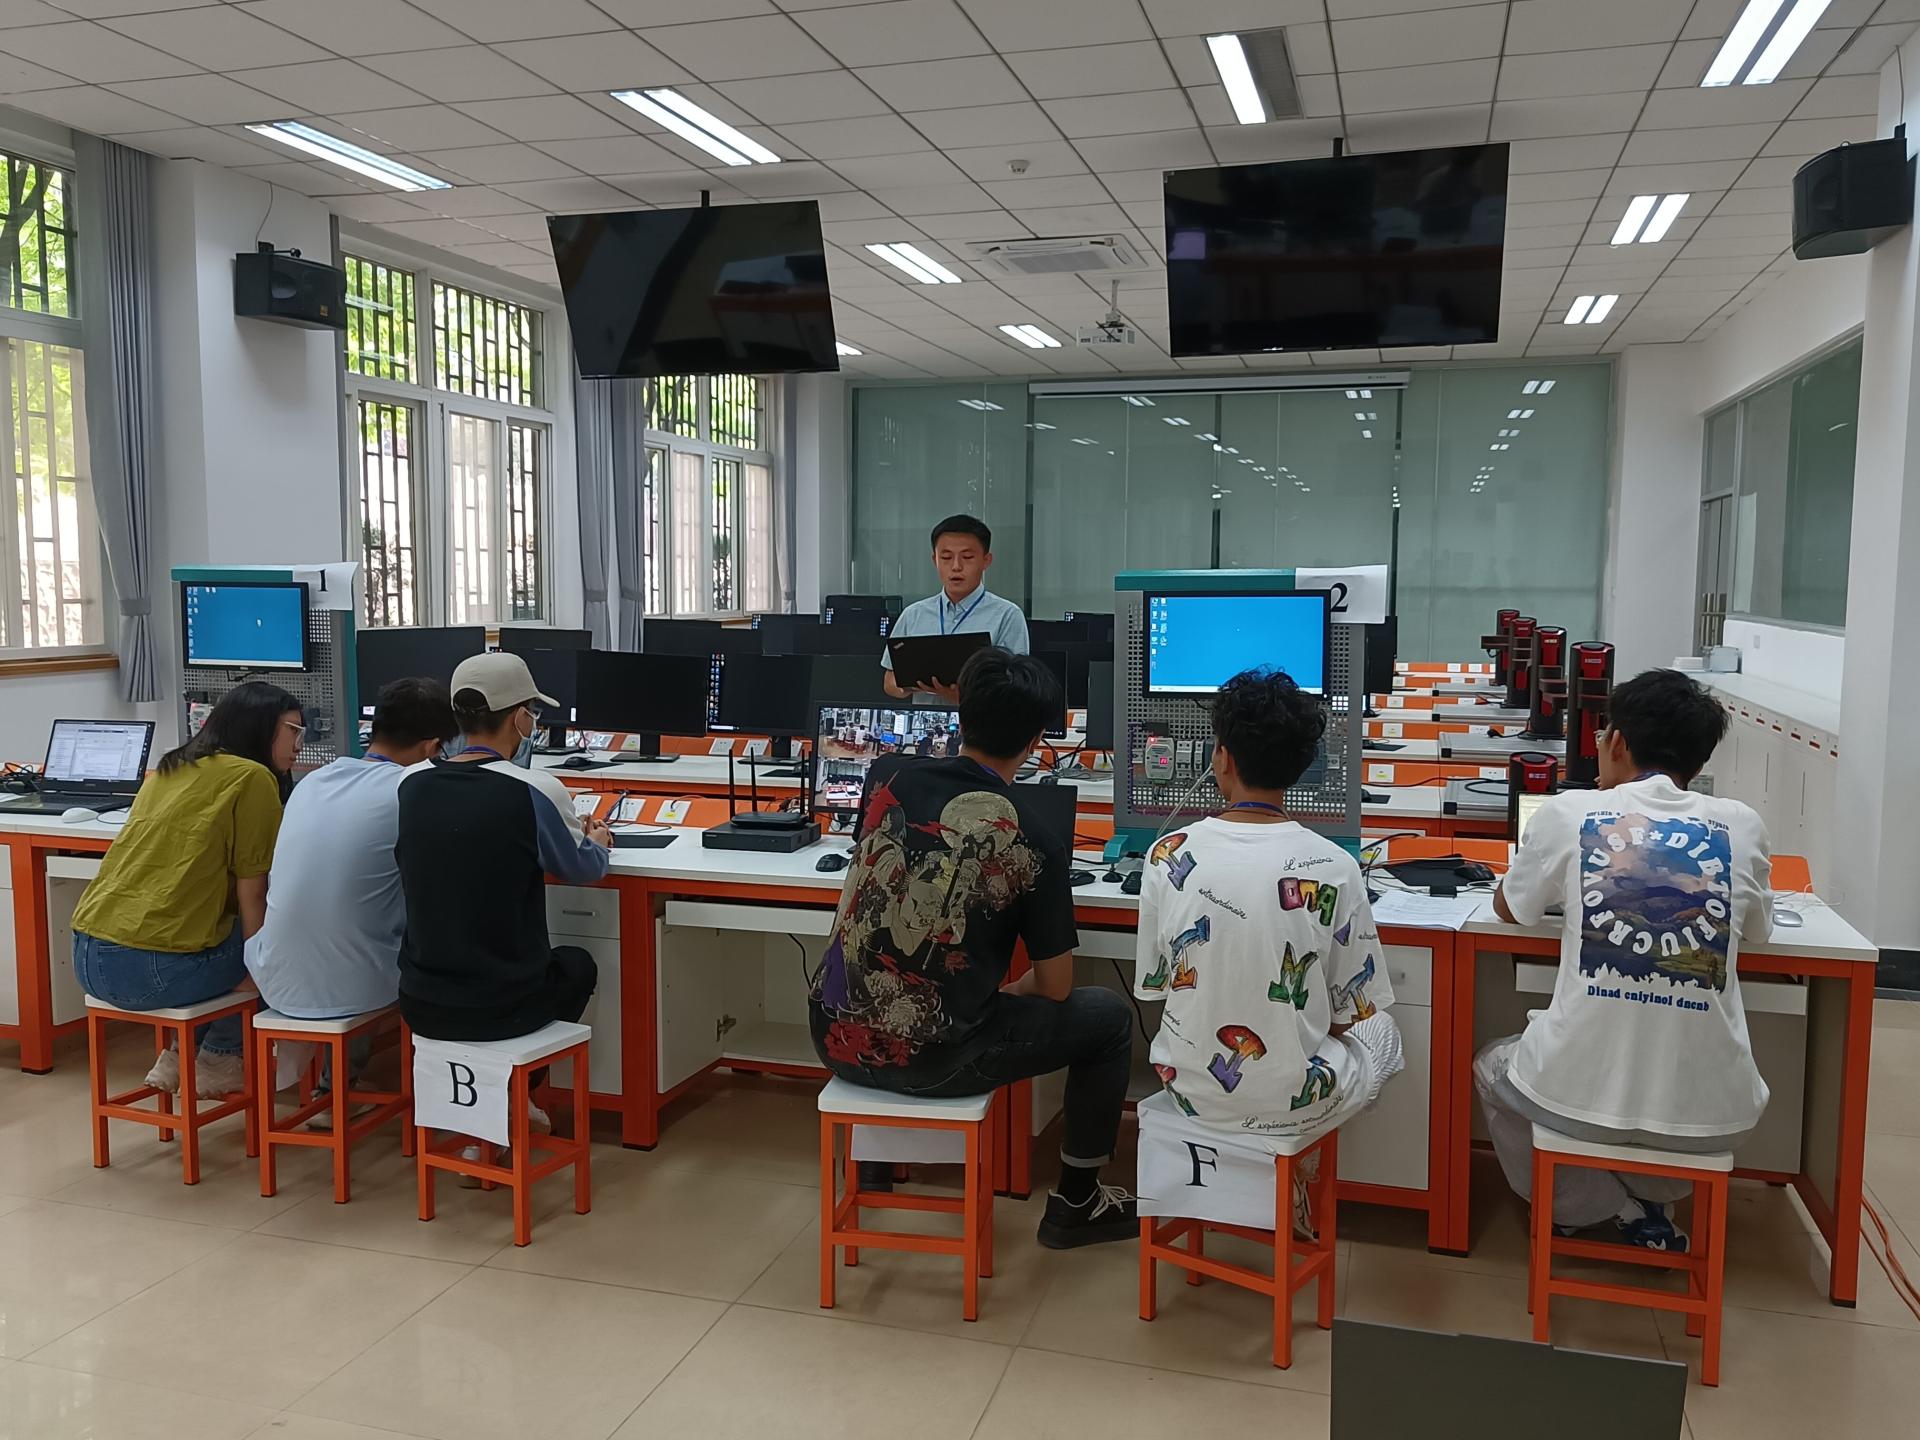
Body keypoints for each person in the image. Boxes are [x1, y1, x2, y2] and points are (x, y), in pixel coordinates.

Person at [811, 647, 1136, 1249]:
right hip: (935, 1061)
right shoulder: (1032, 836)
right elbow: (1056, 987)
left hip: (830, 1035)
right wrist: (1006, 992)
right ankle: (1077, 1202)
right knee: (1110, 1019)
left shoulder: (888, 778)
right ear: (1036, 740)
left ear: (960, 716)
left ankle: (875, 1169)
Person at [1477, 668, 1773, 1251]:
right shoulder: (1741, 825)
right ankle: (1650, 1199)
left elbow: (1512, 909)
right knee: (1645, 1112)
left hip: (1571, 1098)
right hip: (1713, 1116)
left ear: (1616, 742)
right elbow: (1760, 932)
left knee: (1491, 1067)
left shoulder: (1570, 812)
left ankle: (1603, 1207)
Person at [1135, 668, 1401, 1237]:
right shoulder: (1335, 866)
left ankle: (1258, 1174)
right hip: (1294, 1098)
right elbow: (1351, 1012)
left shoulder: (1166, 853)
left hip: (1188, 1091)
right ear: (1301, 765)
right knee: (1383, 1031)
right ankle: (1296, 1165)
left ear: (1221, 757)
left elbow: (1156, 987)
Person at [395, 653, 612, 1135]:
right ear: (519, 718)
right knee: (577, 965)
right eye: (531, 711)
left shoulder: (411, 783)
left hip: (421, 999)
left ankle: (482, 1111)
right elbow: (581, 868)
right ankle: (517, 1093)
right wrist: (597, 842)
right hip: (501, 1004)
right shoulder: (535, 788)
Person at [71, 681, 304, 1098]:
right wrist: (259, 972)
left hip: (87, 955)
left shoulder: (171, 767)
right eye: (293, 731)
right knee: (280, 942)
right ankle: (221, 1058)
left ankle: (179, 1057)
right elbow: (254, 890)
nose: (299, 745)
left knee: (218, 934)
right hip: (148, 971)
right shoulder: (251, 776)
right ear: (262, 726)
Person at [246, 679, 458, 1121]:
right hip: (349, 985)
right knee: (435, 934)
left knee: (357, 918)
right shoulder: (413, 790)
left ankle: (334, 1087)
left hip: (273, 976)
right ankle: (458, 1103)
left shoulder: (312, 782)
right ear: (431, 747)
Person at [882, 515, 1029, 703]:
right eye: (946, 557)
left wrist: (965, 696)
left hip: (981, 721)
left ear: (986, 560)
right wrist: (910, 685)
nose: (956, 566)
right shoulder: (913, 615)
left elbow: (1017, 687)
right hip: (926, 719)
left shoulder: (1007, 615)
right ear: (935, 560)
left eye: (967, 557)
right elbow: (889, 680)